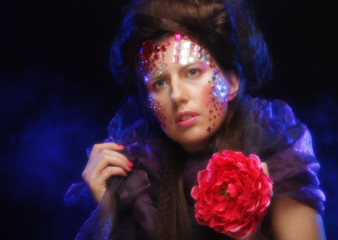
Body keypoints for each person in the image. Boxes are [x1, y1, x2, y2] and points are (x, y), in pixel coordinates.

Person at [65, 0, 326, 239]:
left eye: (192, 72)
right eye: (159, 83)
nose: (177, 95)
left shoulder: (275, 148)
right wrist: (107, 213)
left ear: (232, 81)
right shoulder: (139, 176)